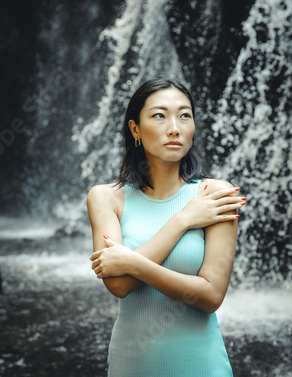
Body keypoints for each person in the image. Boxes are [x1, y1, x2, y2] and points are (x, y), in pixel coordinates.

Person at [87, 78, 245, 376]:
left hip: (199, 365)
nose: (175, 127)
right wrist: (182, 220)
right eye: (159, 115)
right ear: (135, 129)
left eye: (185, 115)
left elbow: (211, 296)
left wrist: (132, 261)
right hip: (131, 364)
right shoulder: (106, 198)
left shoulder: (215, 195)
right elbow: (119, 285)